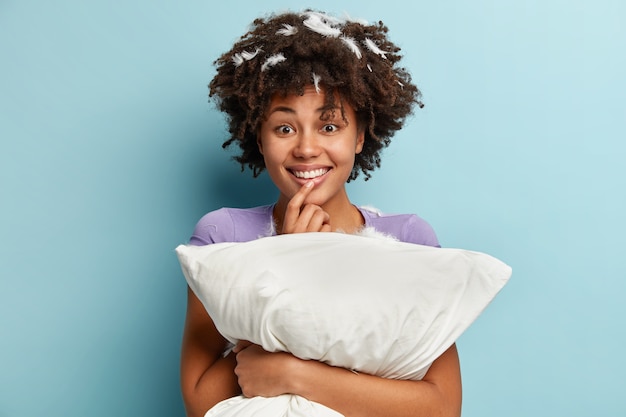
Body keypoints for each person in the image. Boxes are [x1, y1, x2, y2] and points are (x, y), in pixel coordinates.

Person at [180, 10, 462, 417]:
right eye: (284, 128)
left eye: (329, 126)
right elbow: (200, 403)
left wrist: (295, 375)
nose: (307, 149)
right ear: (259, 137)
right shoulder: (221, 237)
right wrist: (287, 261)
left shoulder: (409, 240)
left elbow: (442, 407)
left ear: (361, 135)